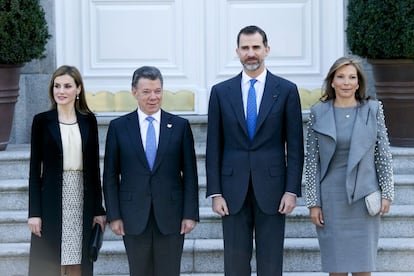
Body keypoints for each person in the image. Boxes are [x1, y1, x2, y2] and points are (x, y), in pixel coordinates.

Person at [205, 25, 304, 276]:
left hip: (273, 190)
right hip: (231, 191)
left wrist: (291, 190)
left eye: (256, 47)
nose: (251, 53)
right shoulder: (220, 92)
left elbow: (294, 147)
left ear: (266, 50)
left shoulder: (286, 90)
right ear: (237, 51)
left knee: (271, 264)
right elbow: (213, 146)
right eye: (245, 48)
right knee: (235, 266)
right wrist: (215, 192)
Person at [103, 66, 199, 276]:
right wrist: (114, 215)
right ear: (134, 92)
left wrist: (190, 214)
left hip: (172, 216)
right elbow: (110, 176)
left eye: (157, 91)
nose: (153, 97)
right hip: (133, 216)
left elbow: (191, 175)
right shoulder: (118, 127)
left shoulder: (180, 126)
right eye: (146, 91)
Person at [304, 56, 394, 276]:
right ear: (332, 81)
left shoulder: (373, 109)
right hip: (332, 201)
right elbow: (311, 162)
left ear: (359, 82)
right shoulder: (318, 112)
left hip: (364, 199)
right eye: (341, 77)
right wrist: (313, 203)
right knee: (336, 269)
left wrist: (387, 193)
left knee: (363, 268)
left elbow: (382, 154)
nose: (346, 82)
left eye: (352, 77)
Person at [27, 65, 106, 276]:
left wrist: (99, 210)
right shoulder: (42, 121)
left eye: (67, 86)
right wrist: (34, 213)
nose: (61, 91)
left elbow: (94, 169)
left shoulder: (89, 121)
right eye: (57, 86)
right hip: (51, 198)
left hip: (82, 198)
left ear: (78, 89)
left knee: (77, 260)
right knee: (49, 263)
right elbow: (34, 170)